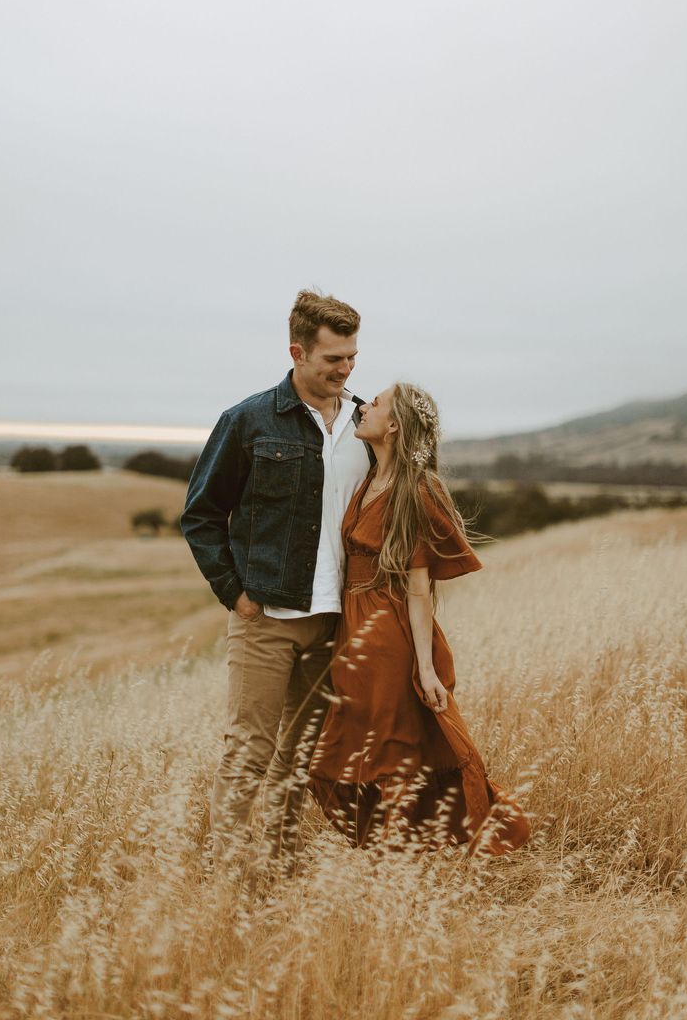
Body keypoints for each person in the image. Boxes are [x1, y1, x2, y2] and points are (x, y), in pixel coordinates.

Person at [181, 290, 374, 876]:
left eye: (351, 357)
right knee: (249, 753)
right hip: (264, 618)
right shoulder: (248, 420)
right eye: (332, 360)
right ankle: (227, 875)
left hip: (335, 620)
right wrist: (235, 594)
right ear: (297, 352)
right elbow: (202, 514)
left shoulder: (367, 424)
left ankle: (282, 861)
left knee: (305, 754)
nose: (344, 370)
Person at [307, 383, 530, 856]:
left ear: (394, 425)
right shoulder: (371, 477)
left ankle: (396, 858)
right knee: (344, 749)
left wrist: (425, 667)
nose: (362, 406)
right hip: (352, 627)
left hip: (386, 630)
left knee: (391, 747)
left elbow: (418, 587)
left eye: (377, 404)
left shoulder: (415, 489)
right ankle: (387, 848)